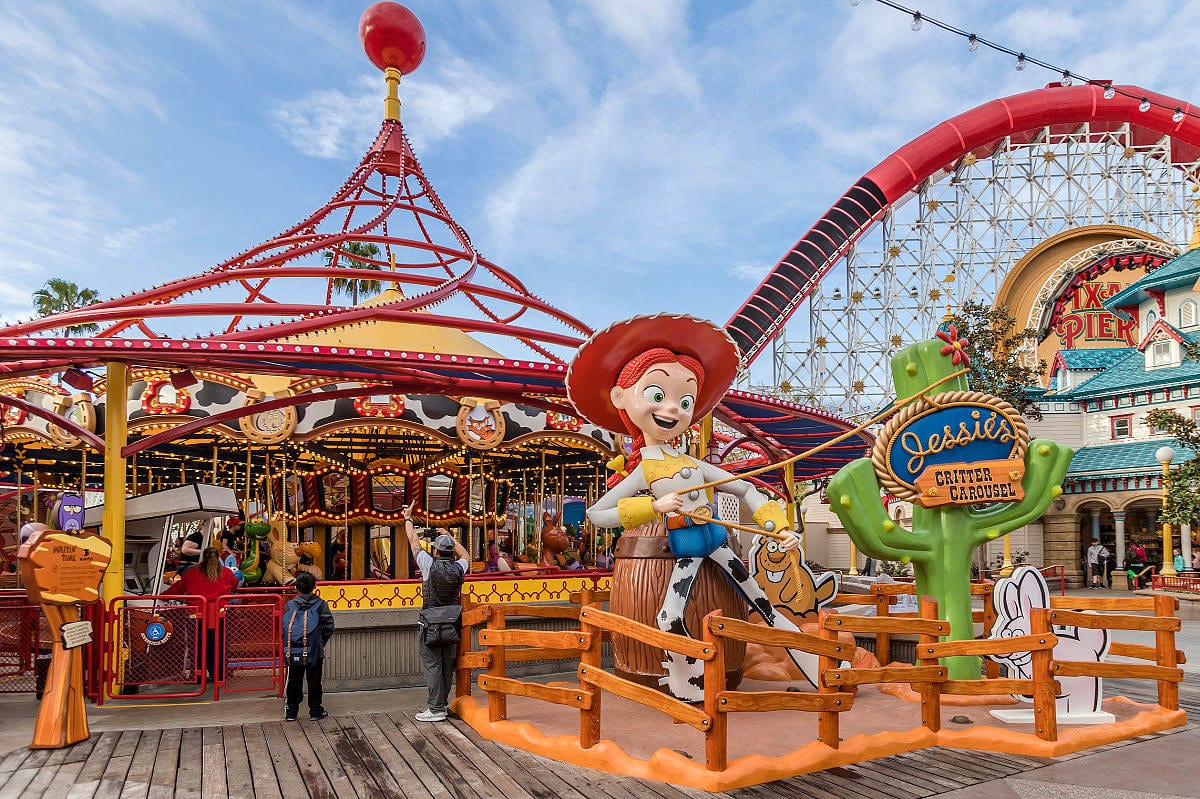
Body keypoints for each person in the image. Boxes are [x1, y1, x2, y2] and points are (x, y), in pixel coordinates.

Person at [567, 313, 817, 701]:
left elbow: (747, 490)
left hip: (714, 541)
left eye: (685, 401)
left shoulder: (695, 465)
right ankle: (682, 669)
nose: (673, 409)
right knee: (672, 610)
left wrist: (776, 527)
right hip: (686, 548)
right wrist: (654, 505)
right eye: (656, 395)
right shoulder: (645, 469)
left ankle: (808, 656)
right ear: (622, 398)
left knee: (762, 601)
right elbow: (597, 515)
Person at [403, 502, 468, 722]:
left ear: (436, 550)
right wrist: (450, 536)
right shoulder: (459, 567)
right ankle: (442, 704)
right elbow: (467, 556)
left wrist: (408, 518)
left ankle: (435, 708)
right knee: (447, 664)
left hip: (430, 622)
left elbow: (413, 540)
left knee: (433, 664)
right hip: (452, 622)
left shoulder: (428, 564)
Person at [164, 547, 239, 679]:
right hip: (220, 613)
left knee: (197, 645)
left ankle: (197, 674)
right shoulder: (225, 572)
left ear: (203, 558)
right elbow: (235, 584)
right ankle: (219, 673)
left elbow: (178, 588)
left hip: (196, 614)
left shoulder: (192, 573)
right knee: (220, 644)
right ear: (218, 558)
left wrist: (160, 595)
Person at [282, 571, 334, 721]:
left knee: (294, 678)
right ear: (314, 586)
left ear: (297, 587)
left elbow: (284, 626)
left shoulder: (290, 605)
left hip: (294, 648)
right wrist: (320, 641)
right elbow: (329, 625)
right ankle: (315, 710)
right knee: (314, 680)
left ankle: (291, 711)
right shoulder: (320, 604)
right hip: (314, 649)